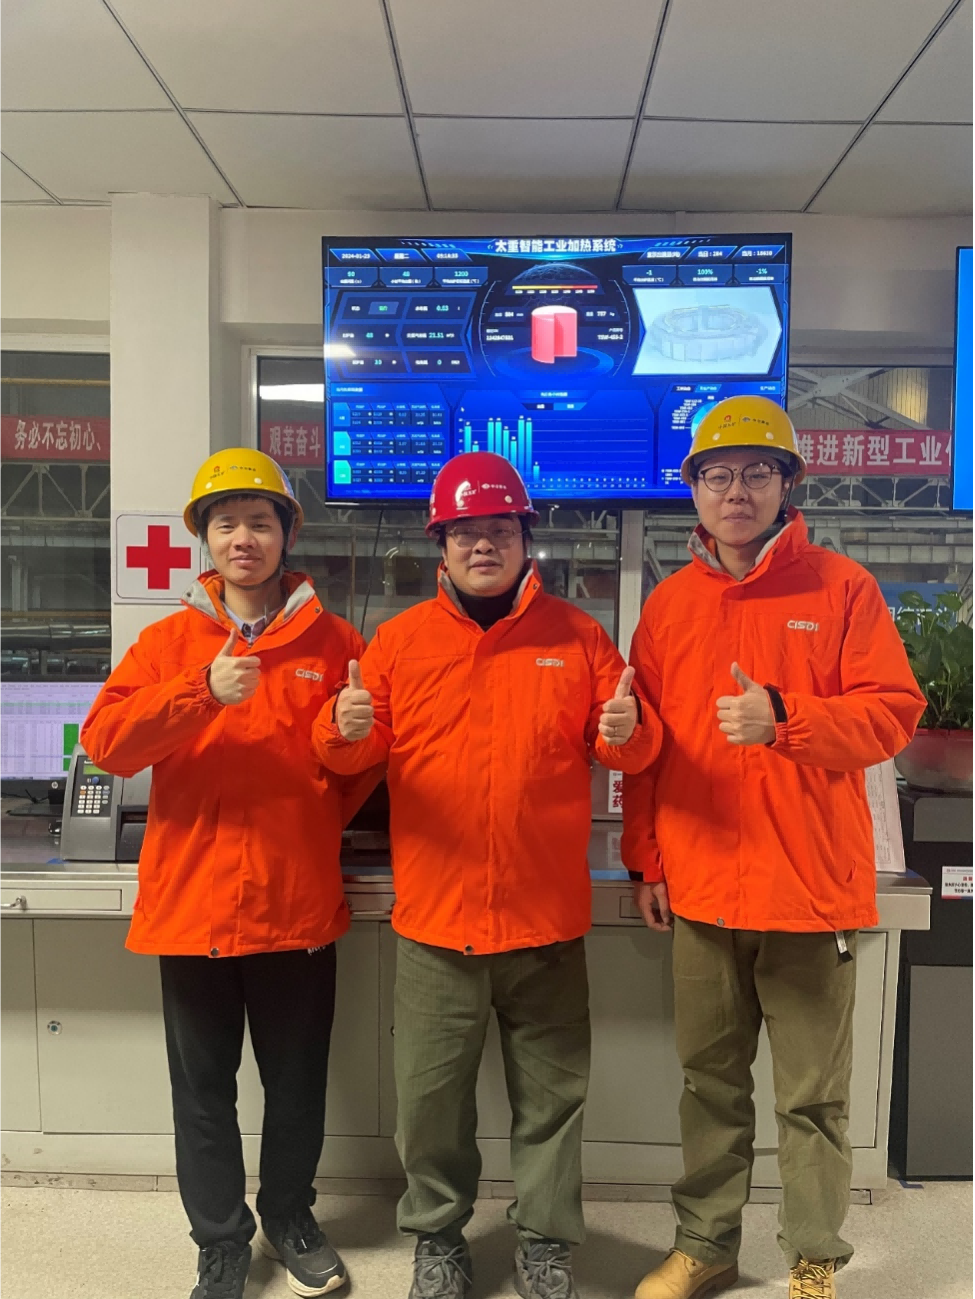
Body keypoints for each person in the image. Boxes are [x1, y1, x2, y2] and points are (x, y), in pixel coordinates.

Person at [314, 451, 661, 1299]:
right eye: (464, 531)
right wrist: (341, 726)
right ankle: (437, 1236)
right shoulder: (399, 643)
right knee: (429, 1102)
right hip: (436, 924)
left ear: (524, 539)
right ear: (439, 543)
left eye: (498, 529)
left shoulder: (576, 637)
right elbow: (351, 755)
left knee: (553, 1098)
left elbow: (625, 748)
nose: (482, 545)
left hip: (545, 922)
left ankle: (544, 1241)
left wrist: (629, 729)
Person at [621, 397, 926, 1299]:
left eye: (757, 472)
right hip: (702, 891)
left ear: (788, 483)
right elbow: (648, 750)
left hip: (809, 890)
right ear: (693, 491)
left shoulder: (841, 588)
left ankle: (812, 1257)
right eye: (716, 474)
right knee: (709, 1086)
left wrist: (785, 718)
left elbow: (890, 714)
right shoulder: (669, 607)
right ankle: (705, 1243)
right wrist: (647, 859)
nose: (736, 490)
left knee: (811, 1098)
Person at [82, 449, 380, 1299]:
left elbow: (355, 772)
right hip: (192, 906)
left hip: (295, 904)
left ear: (287, 532)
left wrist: (345, 744)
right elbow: (107, 745)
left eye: (259, 521)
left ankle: (290, 1215)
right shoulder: (168, 643)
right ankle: (219, 1239)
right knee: (203, 1091)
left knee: (296, 1084)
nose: (242, 537)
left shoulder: (336, 643)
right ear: (204, 540)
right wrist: (201, 691)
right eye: (225, 523)